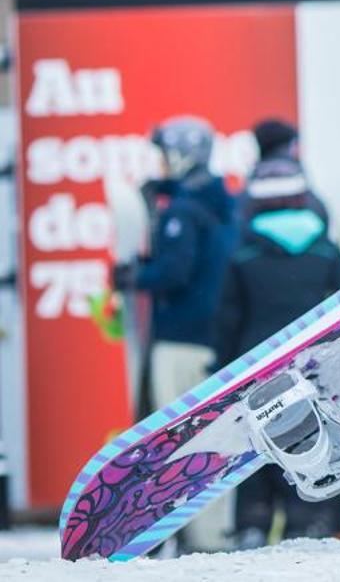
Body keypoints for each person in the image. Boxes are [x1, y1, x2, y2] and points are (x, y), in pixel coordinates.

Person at [212, 157, 340, 547]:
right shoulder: (324, 249)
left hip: (254, 364)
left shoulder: (243, 253)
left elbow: (227, 317)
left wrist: (220, 367)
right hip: (312, 367)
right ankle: (315, 516)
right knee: (312, 438)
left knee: (256, 445)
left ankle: (253, 522)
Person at [120, 115, 238, 551]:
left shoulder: (185, 212)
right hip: (214, 340)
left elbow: (173, 272)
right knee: (208, 442)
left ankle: (165, 533)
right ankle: (208, 533)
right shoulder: (224, 203)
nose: (162, 165)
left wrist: (133, 276)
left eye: (165, 156)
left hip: (178, 339)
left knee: (172, 444)